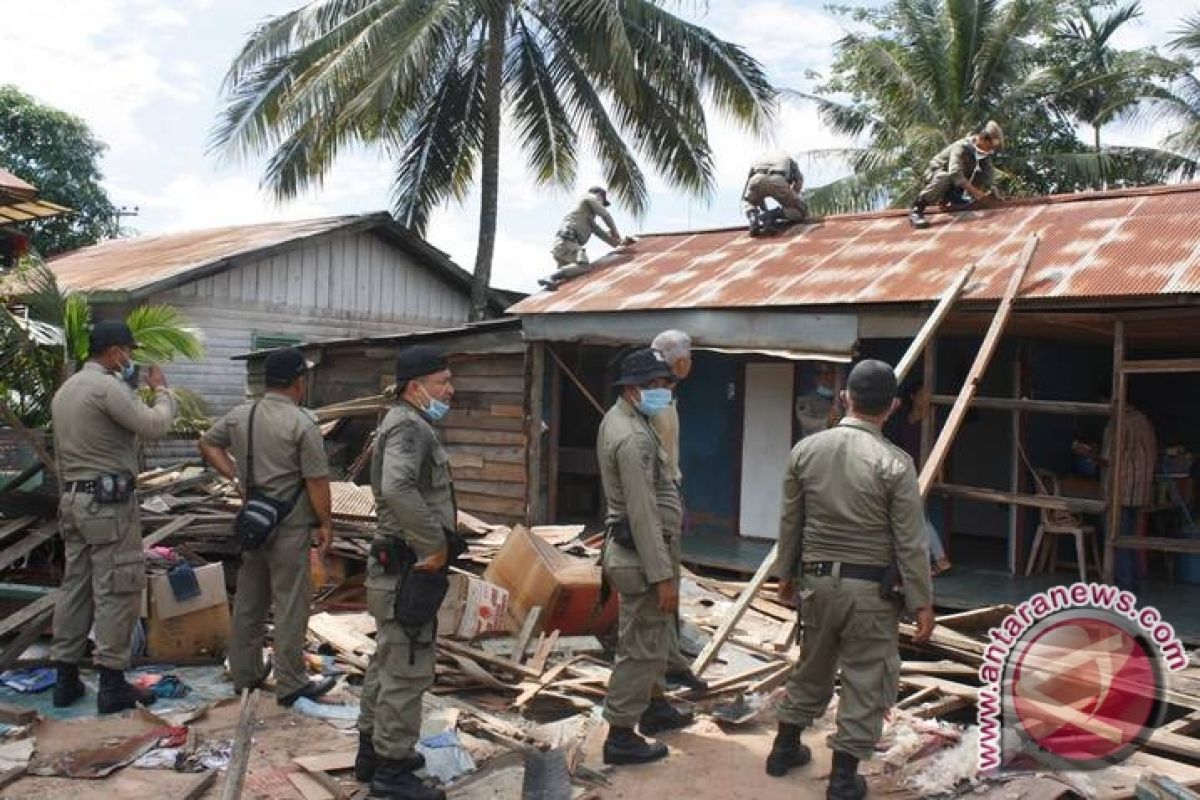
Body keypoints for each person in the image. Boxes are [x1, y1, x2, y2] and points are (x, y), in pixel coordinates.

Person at [768, 360, 935, 799]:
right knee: (866, 677)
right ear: (893, 406)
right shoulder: (896, 464)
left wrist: (785, 575)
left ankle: (783, 749)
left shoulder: (806, 451)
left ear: (846, 398)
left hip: (816, 584)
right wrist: (922, 602)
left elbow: (791, 523)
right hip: (870, 593)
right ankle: (843, 778)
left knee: (812, 664)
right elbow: (910, 542)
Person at [49, 320, 176, 713]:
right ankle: (111, 682)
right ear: (115, 351)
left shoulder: (67, 390)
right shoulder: (106, 388)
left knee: (75, 587)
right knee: (117, 588)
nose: (130, 360)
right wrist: (163, 392)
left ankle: (65, 679)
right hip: (107, 504)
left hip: (73, 499)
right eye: (128, 353)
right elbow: (155, 426)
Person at [199, 348, 336, 707]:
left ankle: (244, 674)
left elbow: (207, 443)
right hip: (290, 527)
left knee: (249, 601)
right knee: (291, 604)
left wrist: (236, 478)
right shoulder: (302, 423)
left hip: (253, 523)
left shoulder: (242, 414)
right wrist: (326, 523)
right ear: (297, 382)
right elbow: (317, 481)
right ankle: (291, 682)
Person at [355, 346, 457, 800]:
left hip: (396, 564)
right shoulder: (410, 427)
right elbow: (397, 486)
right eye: (442, 382)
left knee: (388, 660)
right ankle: (392, 774)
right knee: (408, 668)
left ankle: (373, 751)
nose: (450, 390)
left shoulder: (405, 422)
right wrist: (434, 544)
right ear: (416, 388)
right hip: (407, 567)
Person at [598, 348, 693, 766]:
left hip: (640, 554)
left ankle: (654, 707)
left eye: (667, 384)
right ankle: (620, 734)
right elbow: (642, 510)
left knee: (649, 638)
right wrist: (662, 577)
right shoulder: (633, 435)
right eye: (658, 385)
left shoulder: (627, 419)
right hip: (640, 559)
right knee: (639, 647)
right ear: (635, 389)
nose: (666, 391)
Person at [649, 330, 706, 695]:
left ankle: (672, 661)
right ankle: (657, 678)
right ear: (680, 360)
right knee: (661, 589)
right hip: (657, 501)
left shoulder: (666, 394)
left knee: (670, 587)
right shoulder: (655, 399)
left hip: (668, 494)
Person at [885, 380, 951, 575]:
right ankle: (936, 560)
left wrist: (939, 477)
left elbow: (939, 452)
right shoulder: (904, 419)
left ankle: (940, 559)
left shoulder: (932, 420)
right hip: (904, 472)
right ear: (913, 397)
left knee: (919, 519)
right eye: (922, 393)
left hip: (924, 472)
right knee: (917, 518)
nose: (926, 397)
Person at [1098, 394, 1157, 592]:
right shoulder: (1143, 420)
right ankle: (1134, 584)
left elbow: (1108, 458)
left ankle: (1123, 588)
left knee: (1117, 540)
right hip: (1140, 490)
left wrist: (1088, 453)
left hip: (1119, 491)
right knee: (1131, 538)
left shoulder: (1116, 424)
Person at [909, 121, 1004, 229]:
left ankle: (954, 198)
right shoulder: (962, 146)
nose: (989, 150)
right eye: (988, 146)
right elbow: (954, 171)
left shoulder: (983, 155)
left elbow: (989, 175)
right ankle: (916, 210)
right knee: (946, 177)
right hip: (937, 175)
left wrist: (993, 189)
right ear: (981, 138)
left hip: (954, 184)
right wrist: (975, 193)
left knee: (980, 172)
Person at [540, 186, 634, 289]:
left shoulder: (586, 217)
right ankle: (550, 277)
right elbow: (605, 215)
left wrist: (620, 244)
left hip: (564, 246)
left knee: (568, 281)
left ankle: (553, 280)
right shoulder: (589, 197)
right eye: (602, 202)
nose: (602, 205)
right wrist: (614, 231)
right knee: (584, 266)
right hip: (568, 241)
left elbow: (601, 233)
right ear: (599, 195)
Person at [743, 151, 807, 235]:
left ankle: (753, 218)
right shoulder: (789, 160)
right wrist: (792, 199)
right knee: (801, 211)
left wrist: (763, 210)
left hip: (756, 179)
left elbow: (752, 191)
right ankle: (772, 215)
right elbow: (799, 180)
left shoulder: (759, 159)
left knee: (749, 203)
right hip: (777, 180)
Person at [794, 363, 841, 439]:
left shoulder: (843, 399)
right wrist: (827, 422)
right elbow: (806, 423)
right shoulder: (806, 400)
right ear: (816, 377)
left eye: (831, 373)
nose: (827, 377)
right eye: (822, 373)